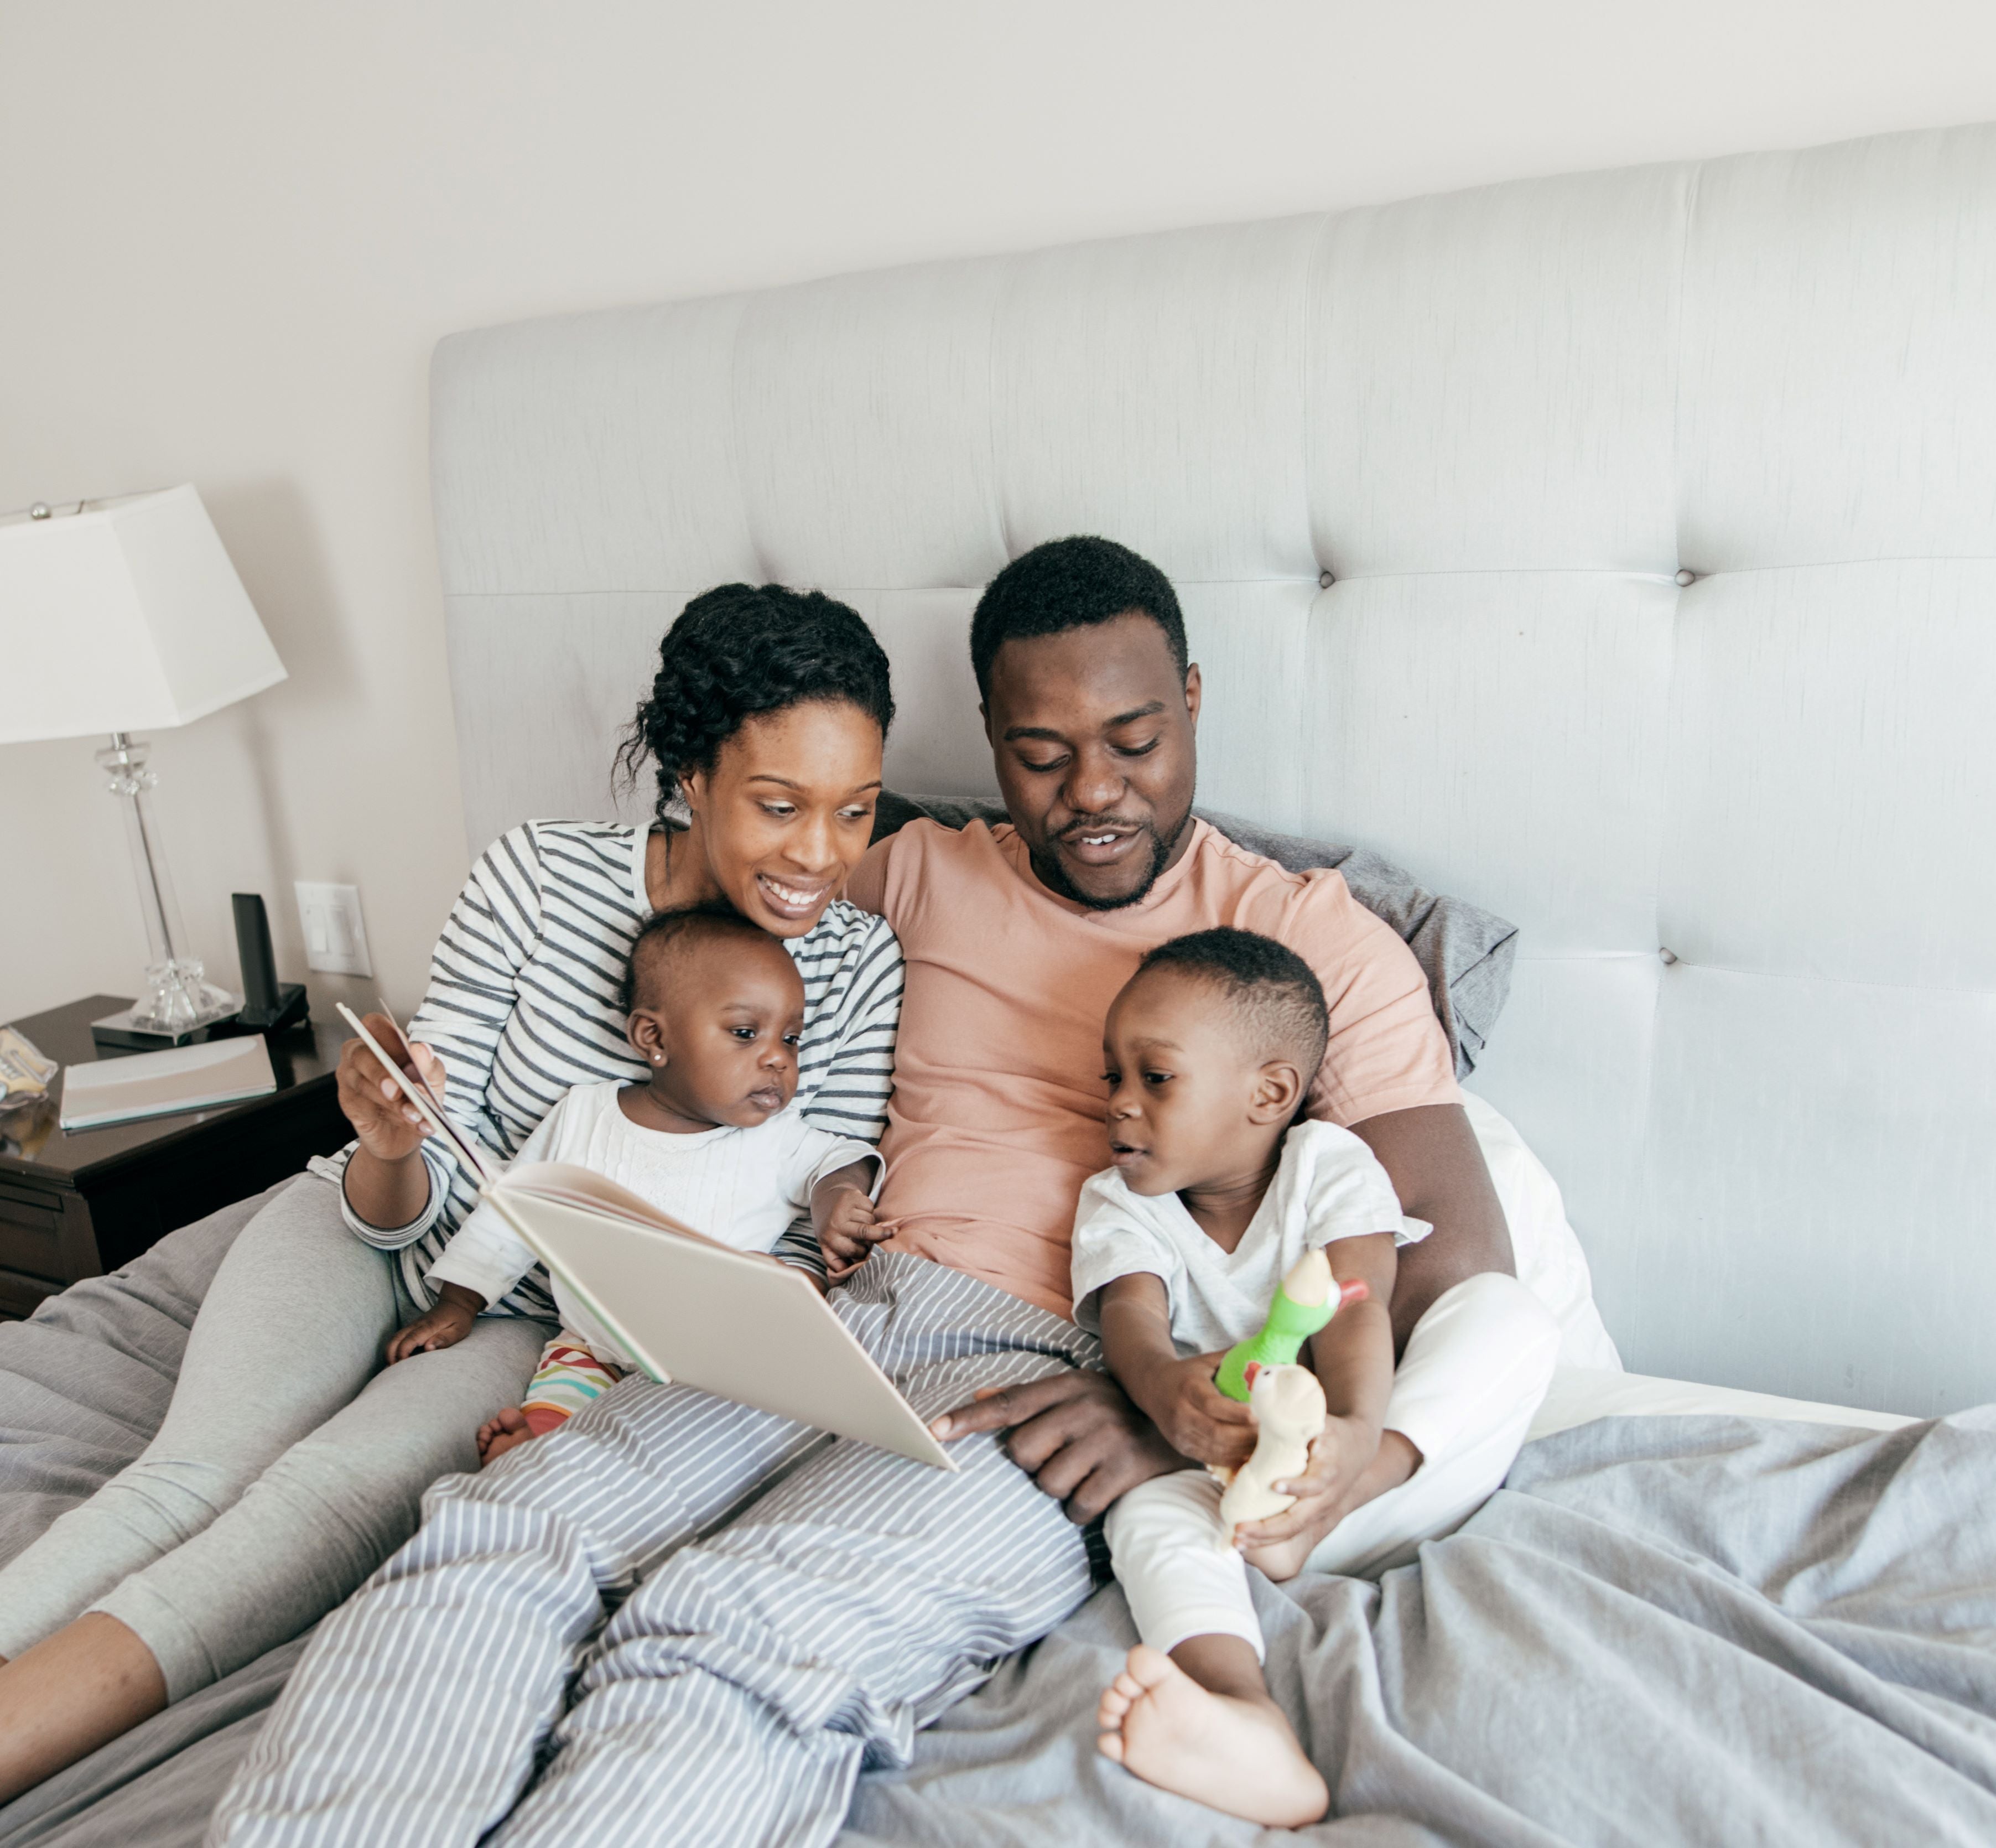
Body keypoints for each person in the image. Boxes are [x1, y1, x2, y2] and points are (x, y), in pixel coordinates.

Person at [212, 536, 1520, 1845]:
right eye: (1041, 754)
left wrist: (1188, 1416)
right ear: (993, 742)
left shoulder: (1317, 944)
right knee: (491, 1538)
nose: (1094, 793)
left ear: (1190, 696)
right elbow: (728, 886)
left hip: (1051, 1369)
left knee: (737, 1631)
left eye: (1134, 739)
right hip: (820, 1314)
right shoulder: (907, 872)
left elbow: (1450, 1266)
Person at [0, 583, 902, 1802]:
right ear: (691, 773)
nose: (819, 855)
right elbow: (410, 1180)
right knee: (192, 1474)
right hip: (373, 1223)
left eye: (855, 811)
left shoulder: (855, 964)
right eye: (779, 804)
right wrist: (385, 1137)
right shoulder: (535, 876)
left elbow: (813, 1196)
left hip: (541, 1319)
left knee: (310, 1505)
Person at [1080, 928, 1558, 1826]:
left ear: (1269, 1094)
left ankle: (1337, 1501)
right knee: (1147, 1517)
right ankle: (1240, 1712)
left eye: (1157, 1078)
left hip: (1376, 1478)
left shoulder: (1330, 1168)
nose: (1120, 1106)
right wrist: (1166, 1397)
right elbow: (1133, 1326)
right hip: (1240, 1513)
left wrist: (1353, 1444)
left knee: (1509, 1317)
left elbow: (1352, 1309)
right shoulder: (1119, 1204)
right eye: (1113, 1077)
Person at [383, 901, 884, 1465]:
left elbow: (840, 1159)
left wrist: (837, 1199)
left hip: (711, 1363)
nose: (777, 1059)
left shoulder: (774, 1137)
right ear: (653, 1037)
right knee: (561, 1398)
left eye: (791, 1038)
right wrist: (460, 1299)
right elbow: (515, 1210)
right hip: (590, 1345)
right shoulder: (584, 1115)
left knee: (712, 1430)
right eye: (746, 1032)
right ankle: (538, 1450)